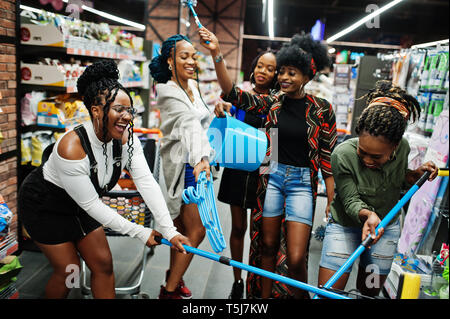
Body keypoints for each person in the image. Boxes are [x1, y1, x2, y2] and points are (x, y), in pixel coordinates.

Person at [17, 60, 190, 299]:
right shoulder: (72, 148)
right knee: (70, 270)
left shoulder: (126, 139)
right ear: (96, 110)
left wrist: (169, 230)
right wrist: (140, 232)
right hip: (45, 204)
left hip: (79, 204)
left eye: (129, 110)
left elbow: (146, 182)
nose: (127, 117)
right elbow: (92, 205)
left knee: (103, 264)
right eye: (119, 109)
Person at [199, 28, 337, 299]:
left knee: (297, 256)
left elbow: (327, 159)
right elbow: (233, 94)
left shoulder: (321, 109)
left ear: (307, 76)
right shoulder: (273, 103)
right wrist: (216, 53)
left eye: (292, 73)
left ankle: (301, 296)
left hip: (301, 184)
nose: (284, 78)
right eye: (282, 71)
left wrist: (331, 199)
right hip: (271, 179)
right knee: (267, 247)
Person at [317, 80, 438, 298]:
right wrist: (369, 214)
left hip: (384, 230)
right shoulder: (342, 154)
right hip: (344, 227)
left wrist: (414, 175)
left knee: (368, 292)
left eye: (376, 157)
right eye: (362, 152)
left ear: (395, 146)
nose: (366, 160)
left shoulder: (404, 150)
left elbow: (397, 180)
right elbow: (350, 200)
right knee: (328, 293)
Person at [149, 34, 214, 299]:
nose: (191, 61)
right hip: (184, 165)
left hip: (193, 160)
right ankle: (170, 291)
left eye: (193, 56)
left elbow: (200, 121)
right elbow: (189, 125)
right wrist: (202, 160)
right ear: (170, 60)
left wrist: (217, 110)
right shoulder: (166, 90)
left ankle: (173, 276)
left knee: (181, 231)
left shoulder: (192, 86)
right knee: (197, 232)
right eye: (183, 56)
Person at [217, 50, 278, 299]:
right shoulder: (242, 98)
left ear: (276, 74)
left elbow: (274, 140)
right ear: (253, 69)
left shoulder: (277, 101)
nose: (263, 71)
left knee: (261, 231)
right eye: (260, 66)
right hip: (237, 163)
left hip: (263, 168)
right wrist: (222, 108)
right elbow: (229, 107)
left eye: (269, 68)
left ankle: (257, 284)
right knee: (239, 227)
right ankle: (238, 281)